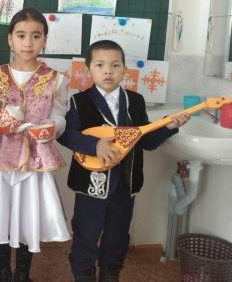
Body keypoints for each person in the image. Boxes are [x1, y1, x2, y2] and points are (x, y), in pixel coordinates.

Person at [58, 40, 190, 282]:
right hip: (91, 185)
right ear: (88, 69)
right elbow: (66, 135)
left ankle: (111, 274)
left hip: (125, 185)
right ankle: (83, 274)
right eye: (100, 65)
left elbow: (145, 141)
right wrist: (95, 145)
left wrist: (169, 126)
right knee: (86, 234)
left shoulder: (135, 101)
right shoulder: (79, 101)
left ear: (124, 70)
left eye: (115, 65)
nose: (108, 71)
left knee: (118, 237)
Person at [0, 7, 70, 282]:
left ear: (44, 40)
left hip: (35, 158)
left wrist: (51, 126)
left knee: (29, 215)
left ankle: (23, 273)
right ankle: (3, 271)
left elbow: (59, 116)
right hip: (0, 157)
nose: (28, 42)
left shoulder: (56, 79)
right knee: (1, 213)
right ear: (10, 39)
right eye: (21, 35)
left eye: (36, 36)